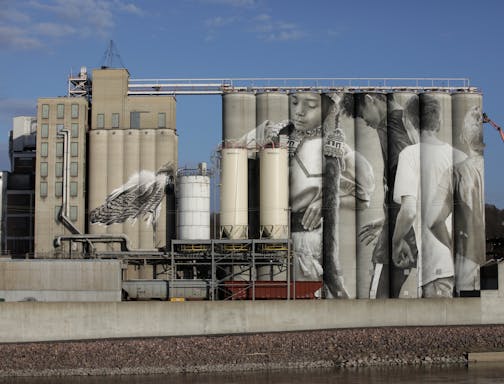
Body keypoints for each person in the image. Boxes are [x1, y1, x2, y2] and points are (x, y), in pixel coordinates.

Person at [392, 96, 466, 298]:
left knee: (439, 326)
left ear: (408, 122)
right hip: (463, 264)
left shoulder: (410, 155)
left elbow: (408, 211)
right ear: (440, 122)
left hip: (436, 263)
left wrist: (396, 242)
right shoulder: (461, 158)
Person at [356, 93, 420, 298]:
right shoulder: (401, 121)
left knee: (380, 296)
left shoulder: (393, 126)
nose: (364, 122)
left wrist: (395, 231)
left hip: (402, 231)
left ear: (369, 100)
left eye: (361, 113)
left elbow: (407, 185)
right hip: (401, 223)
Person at [428, 106, 485, 294]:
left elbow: (433, 220)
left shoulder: (456, 172)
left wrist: (453, 247)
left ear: (462, 137)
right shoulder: (485, 171)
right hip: (483, 267)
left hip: (467, 265)